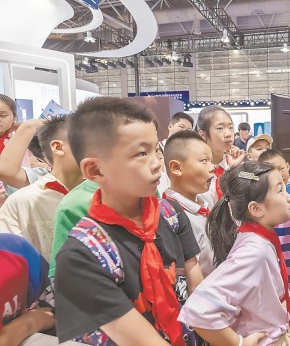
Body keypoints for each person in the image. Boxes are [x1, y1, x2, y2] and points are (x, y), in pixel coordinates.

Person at [54, 97, 203, 345]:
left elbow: (196, 287)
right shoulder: (82, 255)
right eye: (141, 153)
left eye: (156, 150)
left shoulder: (170, 214)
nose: (157, 164)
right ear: (95, 170)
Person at [179, 161, 290, 345]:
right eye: (280, 190)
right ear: (256, 208)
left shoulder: (259, 240)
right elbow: (197, 310)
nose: (289, 197)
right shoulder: (255, 251)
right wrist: (239, 343)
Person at [0, 116, 83, 260]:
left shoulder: (107, 192)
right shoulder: (26, 197)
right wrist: (29, 126)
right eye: (86, 142)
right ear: (58, 147)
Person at [163, 130, 216, 277]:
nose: (212, 167)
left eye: (211, 161)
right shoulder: (172, 217)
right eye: (204, 161)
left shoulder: (203, 204)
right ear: (176, 168)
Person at [259, 149, 290, 300]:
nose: (279, 174)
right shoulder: (259, 218)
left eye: (281, 168)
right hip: (269, 290)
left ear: (287, 166)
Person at [0, 233, 54, 345]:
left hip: (30, 271)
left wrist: (30, 321)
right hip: (15, 265)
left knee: (62, 321)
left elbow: (53, 317)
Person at [195, 106, 245, 209]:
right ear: (203, 134)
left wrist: (234, 170)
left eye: (230, 127)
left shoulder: (235, 164)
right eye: (220, 128)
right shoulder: (195, 170)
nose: (228, 134)